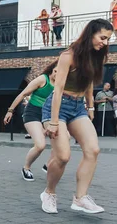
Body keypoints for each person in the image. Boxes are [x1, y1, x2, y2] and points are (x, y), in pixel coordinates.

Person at [41, 19, 113, 214]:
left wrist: (90, 107)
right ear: (90, 34)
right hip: (57, 106)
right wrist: (54, 122)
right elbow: (58, 90)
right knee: (63, 156)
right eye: (102, 38)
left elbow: (89, 82)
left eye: (108, 39)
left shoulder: (96, 56)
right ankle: (49, 193)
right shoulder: (68, 56)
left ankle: (80, 198)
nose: (105, 43)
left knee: (93, 150)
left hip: (78, 107)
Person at [4, 61, 58, 181]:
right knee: (40, 145)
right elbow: (23, 94)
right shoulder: (42, 80)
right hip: (33, 113)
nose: (57, 74)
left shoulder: (61, 84)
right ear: (51, 70)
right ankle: (26, 168)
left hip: (48, 115)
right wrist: (10, 110)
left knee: (62, 140)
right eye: (55, 71)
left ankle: (48, 165)